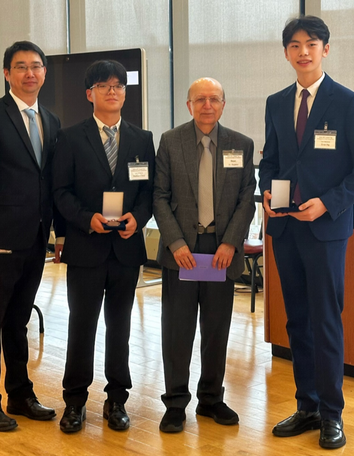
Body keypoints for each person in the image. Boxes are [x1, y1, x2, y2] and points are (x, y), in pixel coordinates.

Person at [259, 16, 354, 449]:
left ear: (325, 49)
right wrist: (265, 193)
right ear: (287, 53)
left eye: (312, 44)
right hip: (286, 231)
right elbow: (270, 161)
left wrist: (328, 202)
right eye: (295, 45)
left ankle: (333, 414)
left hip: (326, 231)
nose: (304, 52)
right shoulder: (276, 102)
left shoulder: (348, 102)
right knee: (297, 322)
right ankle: (307, 405)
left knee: (326, 321)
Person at [0, 40, 64, 431]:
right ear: (7, 73)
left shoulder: (51, 120)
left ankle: (20, 394)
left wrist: (56, 233)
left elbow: (50, 182)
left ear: (44, 72)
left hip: (36, 238)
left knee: (18, 321)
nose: (29, 73)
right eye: (20, 66)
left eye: (36, 66)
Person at [53, 60, 155, 434]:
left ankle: (117, 400)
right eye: (104, 85)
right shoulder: (69, 137)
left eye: (119, 86)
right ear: (89, 94)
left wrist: (137, 219)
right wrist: (86, 219)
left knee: (120, 327)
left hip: (126, 249)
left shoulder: (142, 138)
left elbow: (148, 193)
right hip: (86, 246)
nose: (113, 91)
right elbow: (59, 192)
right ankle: (75, 401)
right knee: (82, 326)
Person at [153, 77, 256, 433]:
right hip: (182, 250)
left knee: (216, 328)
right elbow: (159, 197)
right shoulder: (170, 142)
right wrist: (176, 243)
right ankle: (175, 403)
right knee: (177, 330)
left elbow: (247, 199)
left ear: (223, 105)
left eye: (214, 99)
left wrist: (230, 242)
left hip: (220, 252)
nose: (207, 105)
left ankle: (211, 398)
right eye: (200, 99)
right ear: (189, 105)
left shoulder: (241, 145)